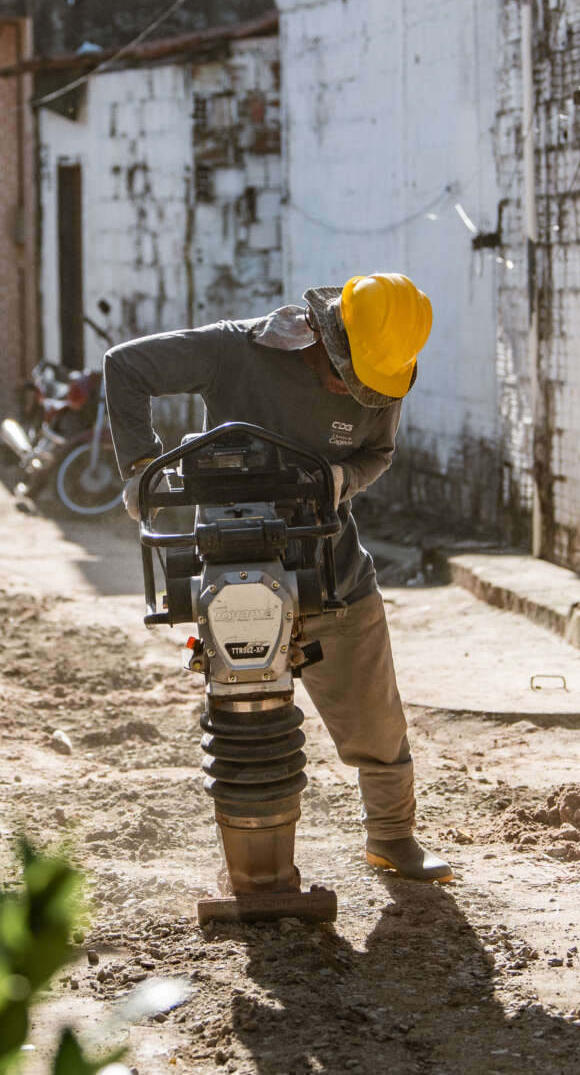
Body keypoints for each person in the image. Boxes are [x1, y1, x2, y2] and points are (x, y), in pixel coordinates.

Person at [103, 273, 452, 882]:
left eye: (374, 385)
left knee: (375, 711)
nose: (360, 393)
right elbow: (125, 367)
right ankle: (250, 856)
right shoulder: (237, 350)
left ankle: (392, 837)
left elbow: (378, 452)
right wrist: (140, 467)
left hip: (328, 558)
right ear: (323, 336)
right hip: (233, 561)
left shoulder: (384, 373)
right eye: (350, 375)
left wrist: (345, 479)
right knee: (245, 717)